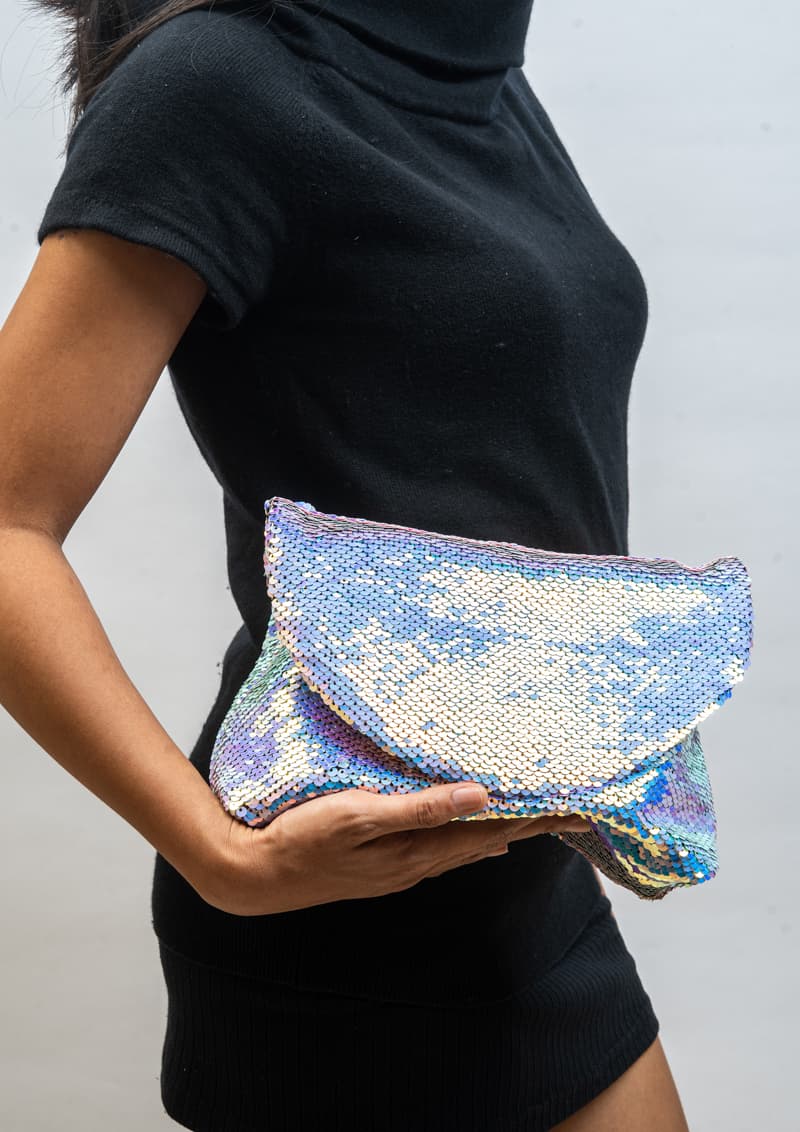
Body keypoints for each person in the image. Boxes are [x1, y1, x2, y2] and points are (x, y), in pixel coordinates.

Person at [1, 0, 691, 1128]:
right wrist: (220, 858)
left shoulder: (478, 66)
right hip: (338, 920)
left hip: (528, 894)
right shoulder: (215, 83)